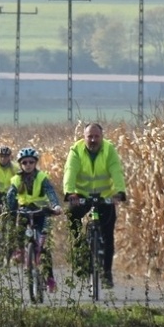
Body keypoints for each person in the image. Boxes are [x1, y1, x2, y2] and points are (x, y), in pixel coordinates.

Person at [63, 121, 127, 288]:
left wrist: (119, 192)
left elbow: (116, 171)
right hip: (81, 196)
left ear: (102, 137)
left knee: (108, 235)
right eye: (89, 136)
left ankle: (106, 273)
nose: (93, 140)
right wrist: (70, 192)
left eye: (96, 136)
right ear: (83, 137)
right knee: (72, 218)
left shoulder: (109, 150)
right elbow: (70, 171)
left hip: (104, 197)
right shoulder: (76, 151)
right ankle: (80, 253)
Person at [4, 146, 61, 292]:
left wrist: (55, 206)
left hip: (41, 211)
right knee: (18, 229)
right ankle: (19, 251)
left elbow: (50, 192)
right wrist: (9, 210)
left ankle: (50, 279)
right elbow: (10, 195)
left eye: (31, 162)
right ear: (21, 164)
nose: (28, 165)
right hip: (24, 211)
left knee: (43, 249)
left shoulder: (42, 178)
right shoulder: (16, 179)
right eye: (24, 163)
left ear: (35, 163)